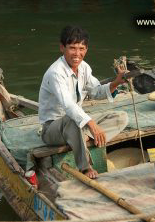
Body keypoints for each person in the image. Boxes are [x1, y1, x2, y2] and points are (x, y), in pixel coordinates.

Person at [38, 26, 128, 179]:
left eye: (81, 48)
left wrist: (116, 83)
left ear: (86, 49)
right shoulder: (56, 73)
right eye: (72, 48)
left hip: (77, 123)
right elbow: (69, 106)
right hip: (52, 129)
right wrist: (92, 125)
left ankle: (80, 137)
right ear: (62, 47)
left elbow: (96, 91)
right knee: (73, 120)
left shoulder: (84, 67)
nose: (77, 54)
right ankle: (85, 167)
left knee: (121, 117)